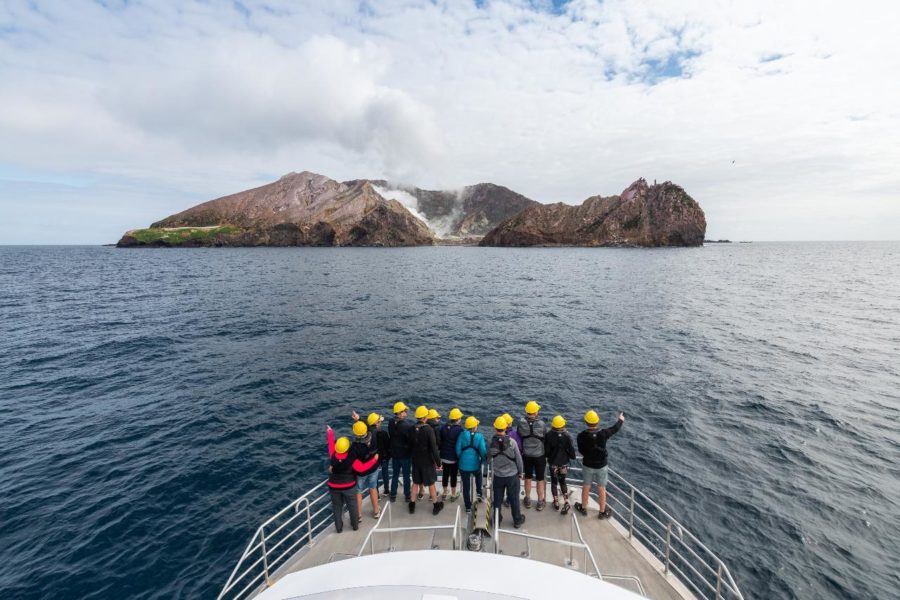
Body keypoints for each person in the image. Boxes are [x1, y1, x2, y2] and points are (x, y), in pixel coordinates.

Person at [326, 426, 377, 533]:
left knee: (337, 507)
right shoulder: (351, 458)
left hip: (333, 486)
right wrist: (374, 460)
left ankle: (339, 528)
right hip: (349, 486)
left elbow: (330, 445)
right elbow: (362, 468)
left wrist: (330, 432)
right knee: (352, 507)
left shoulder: (333, 455)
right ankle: (355, 526)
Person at [576, 409, 625, 519]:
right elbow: (615, 428)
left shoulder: (581, 436)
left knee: (586, 486)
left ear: (586, 422)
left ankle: (583, 508)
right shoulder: (603, 434)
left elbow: (581, 451)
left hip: (587, 465)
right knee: (601, 488)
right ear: (597, 421)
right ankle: (602, 512)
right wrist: (621, 419)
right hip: (602, 466)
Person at [489, 416, 525, 528]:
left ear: (495, 428)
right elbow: (519, 459)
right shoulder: (512, 442)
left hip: (498, 476)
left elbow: (488, 458)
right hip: (512, 476)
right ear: (506, 427)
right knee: (514, 499)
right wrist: (521, 472)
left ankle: (496, 521)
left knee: (497, 500)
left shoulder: (491, 442)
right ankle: (517, 521)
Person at [409, 405, 443, 515]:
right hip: (427, 461)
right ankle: (436, 505)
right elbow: (434, 448)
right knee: (431, 483)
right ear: (425, 417)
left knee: (415, 482)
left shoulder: (412, 428)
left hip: (415, 460)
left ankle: (412, 504)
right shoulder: (428, 430)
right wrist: (438, 463)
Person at [517, 400, 547, 510]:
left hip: (527, 455)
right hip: (539, 456)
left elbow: (519, 434)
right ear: (536, 412)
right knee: (540, 479)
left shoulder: (521, 423)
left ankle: (528, 499)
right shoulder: (541, 424)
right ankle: (540, 501)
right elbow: (544, 435)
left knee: (528, 477)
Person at [545, 415, 576, 514]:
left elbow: (546, 451)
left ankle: (556, 502)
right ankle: (566, 501)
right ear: (563, 425)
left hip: (553, 463)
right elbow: (572, 452)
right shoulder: (567, 436)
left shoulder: (549, 435)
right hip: (564, 463)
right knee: (563, 481)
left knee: (554, 482)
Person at [349, 419, 380, 519]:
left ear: (355, 433)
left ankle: (359, 515)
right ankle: (376, 511)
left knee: (358, 492)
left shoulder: (354, 447)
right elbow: (370, 426)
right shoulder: (374, 435)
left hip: (361, 474)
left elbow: (353, 463)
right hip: (374, 469)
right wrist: (359, 419)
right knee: (373, 488)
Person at [455, 416, 487, 512]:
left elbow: (457, 450)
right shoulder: (479, 436)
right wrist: (482, 459)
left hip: (463, 466)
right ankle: (479, 493)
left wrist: (462, 458)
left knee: (466, 486)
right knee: (478, 475)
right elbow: (483, 451)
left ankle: (468, 507)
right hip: (475, 465)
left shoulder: (461, 435)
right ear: (474, 427)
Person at [388, 401, 414, 503]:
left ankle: (393, 494)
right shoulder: (406, 426)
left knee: (395, 474)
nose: (406, 412)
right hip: (405, 455)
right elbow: (410, 440)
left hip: (395, 454)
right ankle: (407, 495)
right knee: (406, 476)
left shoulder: (390, 422)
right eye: (404, 411)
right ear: (399, 413)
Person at [439, 408, 464, 501]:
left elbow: (440, 440)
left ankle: (445, 492)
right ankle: (453, 494)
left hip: (444, 456)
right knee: (453, 475)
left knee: (445, 474)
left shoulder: (443, 427)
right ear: (457, 419)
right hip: (453, 457)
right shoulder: (459, 430)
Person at [368, 412, 391, 496]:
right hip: (384, 458)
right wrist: (388, 456)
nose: (380, 422)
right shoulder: (384, 433)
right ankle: (386, 491)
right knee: (385, 474)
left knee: (374, 477)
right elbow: (388, 446)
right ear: (376, 423)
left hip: (374, 459)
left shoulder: (368, 435)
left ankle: (376, 494)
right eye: (379, 421)